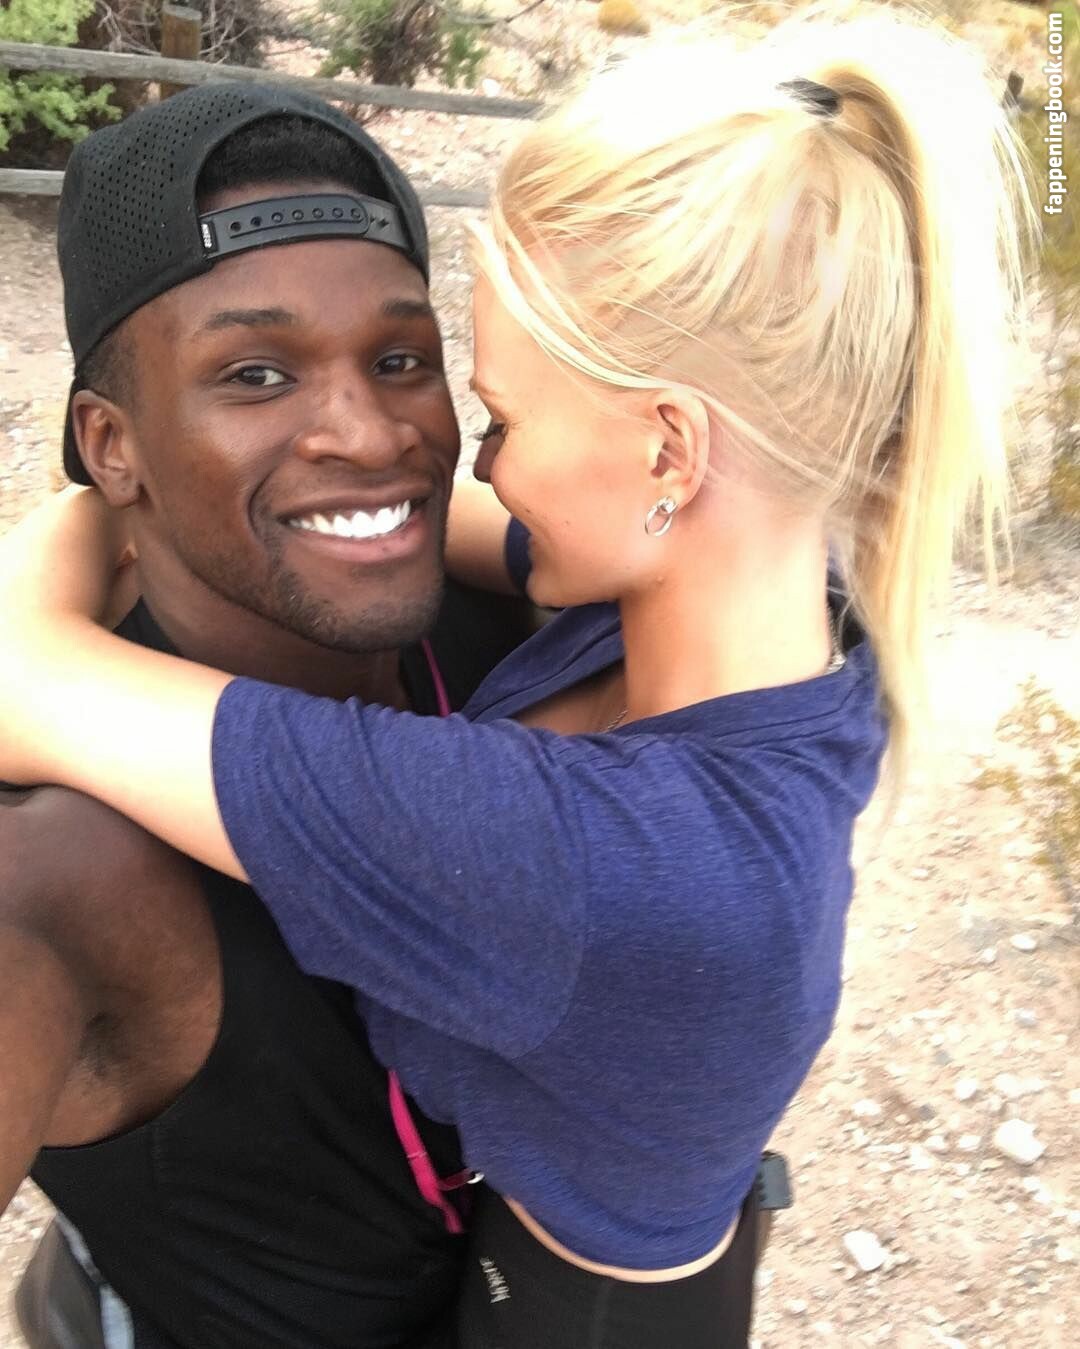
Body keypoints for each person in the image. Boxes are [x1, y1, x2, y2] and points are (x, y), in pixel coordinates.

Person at [0, 9, 1029, 1347]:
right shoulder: (761, 609)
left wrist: (85, 515)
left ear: (669, 454)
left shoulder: (596, 859)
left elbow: (24, 676)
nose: (443, 458)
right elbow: (448, 523)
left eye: (497, 413)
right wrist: (126, 490)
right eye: (256, 373)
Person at [0, 84, 537, 1349]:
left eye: (401, 359)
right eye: (256, 373)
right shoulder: (61, 865)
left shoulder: (505, 633)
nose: (371, 432)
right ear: (112, 444)